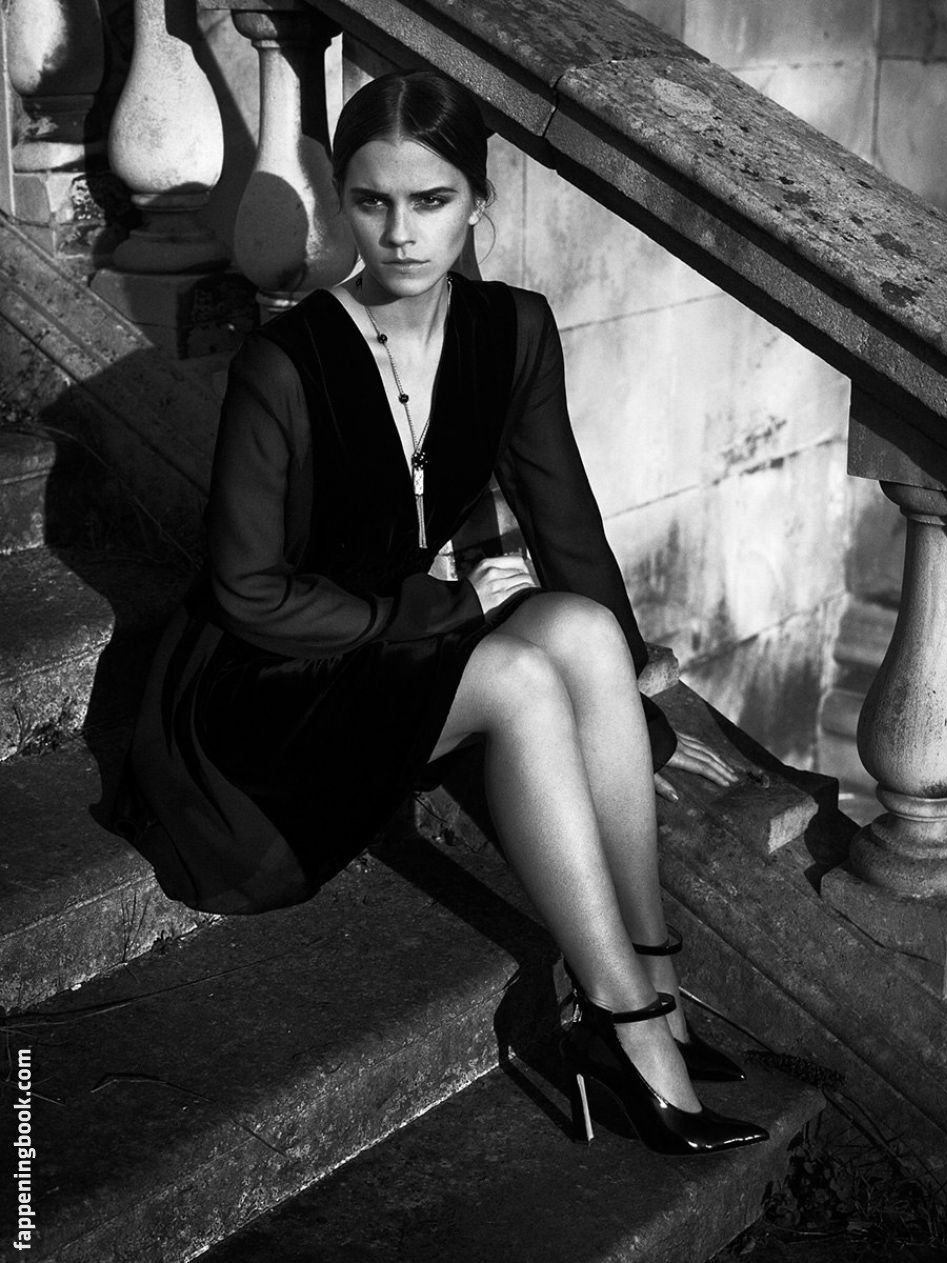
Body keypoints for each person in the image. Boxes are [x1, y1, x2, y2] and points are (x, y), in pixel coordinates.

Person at [120, 69, 767, 1157]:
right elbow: (247, 592)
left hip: (393, 650)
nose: (401, 232)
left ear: (477, 199)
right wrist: (443, 605)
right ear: (340, 198)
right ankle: (622, 1024)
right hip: (269, 689)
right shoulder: (286, 360)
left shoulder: (513, 329)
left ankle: (660, 987)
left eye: (431, 201)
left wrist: (631, 699)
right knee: (516, 675)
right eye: (371, 201)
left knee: (577, 632)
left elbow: (564, 517)